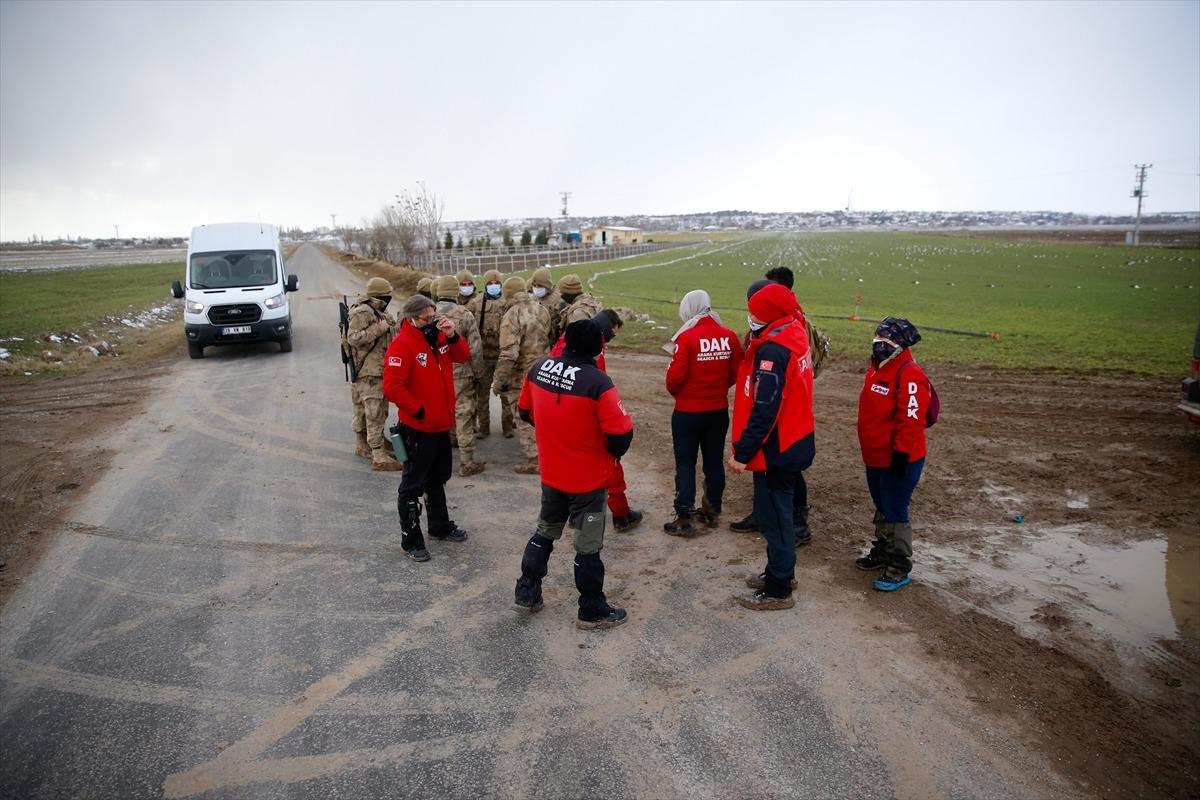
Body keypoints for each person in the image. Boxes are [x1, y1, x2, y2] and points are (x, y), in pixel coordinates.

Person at [513, 319, 634, 630]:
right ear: (599, 346)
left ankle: (527, 591)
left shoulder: (539, 368)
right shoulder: (598, 382)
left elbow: (525, 410)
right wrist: (607, 452)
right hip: (588, 481)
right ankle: (592, 608)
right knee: (588, 546)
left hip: (553, 473)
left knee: (545, 531)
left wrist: (554, 434)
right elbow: (621, 434)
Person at [727, 283, 815, 610]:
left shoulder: (773, 351)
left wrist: (742, 454)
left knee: (775, 518)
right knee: (777, 514)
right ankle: (778, 572)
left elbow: (766, 409)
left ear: (767, 315)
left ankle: (778, 589)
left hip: (777, 449)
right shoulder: (794, 332)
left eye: (754, 311)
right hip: (795, 438)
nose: (749, 316)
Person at [730, 267, 827, 546]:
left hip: (784, 425)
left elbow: (771, 399)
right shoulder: (779, 327)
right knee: (773, 477)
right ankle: (762, 514)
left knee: (787, 476)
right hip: (781, 424)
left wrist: (745, 446)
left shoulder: (786, 335)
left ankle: (797, 523)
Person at [382, 295, 472, 562]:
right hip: (418, 428)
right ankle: (411, 540)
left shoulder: (438, 339)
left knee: (438, 477)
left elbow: (463, 356)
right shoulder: (403, 345)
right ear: (413, 318)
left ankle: (439, 525)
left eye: (434, 316)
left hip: (441, 426)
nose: (433, 321)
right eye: (428, 318)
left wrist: (452, 334)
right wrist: (418, 410)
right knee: (412, 484)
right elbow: (392, 386)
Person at [548, 310, 644, 532]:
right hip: (583, 413)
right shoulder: (593, 346)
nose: (610, 339)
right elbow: (597, 382)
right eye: (613, 334)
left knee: (571, 465)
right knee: (610, 464)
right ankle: (620, 515)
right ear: (607, 328)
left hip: (561, 412)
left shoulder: (570, 340)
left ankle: (575, 514)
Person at [855, 317, 931, 592]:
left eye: (886, 340)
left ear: (900, 344)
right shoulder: (877, 368)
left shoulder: (910, 374)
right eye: (877, 338)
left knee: (896, 509)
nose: (879, 344)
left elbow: (912, 419)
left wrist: (902, 454)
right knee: (882, 503)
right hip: (874, 456)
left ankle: (899, 564)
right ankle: (883, 550)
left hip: (899, 458)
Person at [663, 290, 742, 535]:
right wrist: (716, 389)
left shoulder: (686, 338)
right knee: (713, 462)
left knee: (685, 464)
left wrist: (684, 394)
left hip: (687, 412)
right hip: (717, 410)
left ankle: (684, 516)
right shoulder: (729, 336)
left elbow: (673, 380)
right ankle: (712, 510)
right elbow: (735, 372)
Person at [493, 276, 552, 474]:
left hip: (521, 376)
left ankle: (535, 459)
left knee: (523, 415)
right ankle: (548, 454)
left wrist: (499, 380)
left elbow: (509, 353)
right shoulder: (541, 308)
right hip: (543, 371)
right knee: (542, 415)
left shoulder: (512, 314)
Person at [433, 275, 486, 476]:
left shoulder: (429, 314)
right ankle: (467, 461)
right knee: (463, 414)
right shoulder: (464, 314)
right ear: (455, 292)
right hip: (461, 373)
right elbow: (475, 348)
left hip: (435, 374)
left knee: (438, 413)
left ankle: (438, 460)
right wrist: (479, 374)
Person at [346, 276, 400, 472]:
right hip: (370, 371)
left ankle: (364, 445)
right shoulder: (363, 312)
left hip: (372, 369)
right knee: (374, 412)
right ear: (380, 295)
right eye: (388, 294)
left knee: (364, 409)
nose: (390, 297)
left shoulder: (376, 310)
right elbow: (354, 338)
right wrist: (379, 328)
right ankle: (378, 455)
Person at [467, 269, 509, 438]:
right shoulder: (476, 303)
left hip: (502, 357)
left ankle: (507, 426)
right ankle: (484, 427)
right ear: (484, 285)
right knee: (482, 395)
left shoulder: (507, 302)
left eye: (496, 283)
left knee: (505, 394)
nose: (493, 286)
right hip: (483, 356)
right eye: (490, 284)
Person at [529, 266, 562, 345]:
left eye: (540, 286)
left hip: (554, 343)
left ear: (547, 285)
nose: (536, 288)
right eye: (534, 285)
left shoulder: (559, 300)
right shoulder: (533, 298)